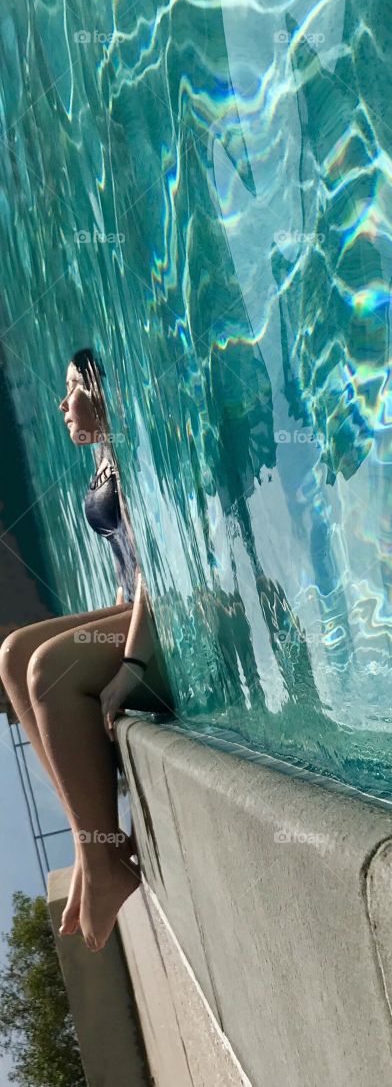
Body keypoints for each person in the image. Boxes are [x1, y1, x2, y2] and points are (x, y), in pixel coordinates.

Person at [0, 348, 173, 951]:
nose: (60, 402)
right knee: (15, 652)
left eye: (71, 387)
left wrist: (130, 664)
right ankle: (89, 838)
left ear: (102, 390)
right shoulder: (103, 459)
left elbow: (161, 567)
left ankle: (104, 864)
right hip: (133, 610)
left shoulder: (130, 452)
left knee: (47, 669)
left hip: (164, 621)